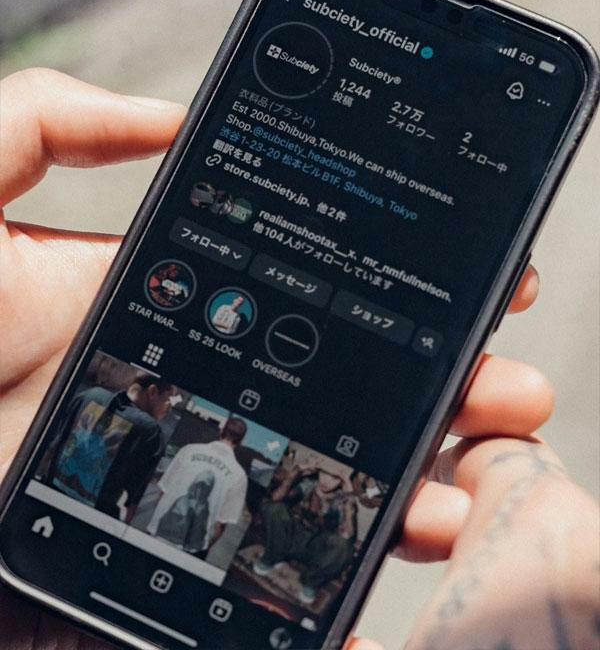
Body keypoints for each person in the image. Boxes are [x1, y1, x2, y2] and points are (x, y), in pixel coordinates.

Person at [0, 69, 597, 649]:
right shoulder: (209, 461)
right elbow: (204, 520)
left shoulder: (95, 401)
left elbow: (142, 491)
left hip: (57, 544)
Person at [44, 374, 174, 520]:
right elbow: (134, 502)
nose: (169, 407)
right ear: (153, 391)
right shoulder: (150, 431)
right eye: (169, 398)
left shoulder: (90, 395)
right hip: (89, 521)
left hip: (46, 500)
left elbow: (50, 449)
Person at [254, 459, 357, 605]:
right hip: (290, 538)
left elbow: (347, 535)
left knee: (344, 546)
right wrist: (295, 472)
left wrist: (350, 497)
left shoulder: (341, 500)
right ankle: (271, 558)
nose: (326, 481)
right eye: (324, 473)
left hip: (315, 549)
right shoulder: (308, 484)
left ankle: (311, 582)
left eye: (335, 478)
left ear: (341, 481)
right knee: (274, 508)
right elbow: (275, 499)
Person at [146, 416, 249, 559]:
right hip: (190, 552)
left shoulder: (188, 450)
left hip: (157, 538)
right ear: (241, 441)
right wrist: (202, 550)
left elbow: (164, 492)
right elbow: (220, 525)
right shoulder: (239, 475)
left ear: (221, 431)